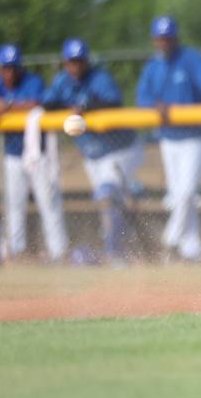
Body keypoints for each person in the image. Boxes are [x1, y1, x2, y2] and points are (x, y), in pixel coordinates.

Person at [42, 39, 144, 262]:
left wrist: (86, 107)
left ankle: (115, 253)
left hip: (120, 150)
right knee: (107, 202)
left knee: (107, 196)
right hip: (93, 155)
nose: (76, 66)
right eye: (72, 62)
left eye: (80, 61)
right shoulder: (62, 81)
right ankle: (122, 243)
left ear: (87, 61)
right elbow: (47, 104)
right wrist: (68, 108)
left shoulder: (100, 78)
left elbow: (113, 102)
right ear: (65, 63)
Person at [0, 44, 68, 262]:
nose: (10, 72)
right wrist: (1, 113)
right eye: (6, 67)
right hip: (13, 155)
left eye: (14, 67)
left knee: (49, 203)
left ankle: (59, 253)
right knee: (14, 206)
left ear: (20, 67)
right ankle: (16, 253)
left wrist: (6, 107)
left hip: (39, 154)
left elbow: (39, 103)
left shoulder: (33, 81)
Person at [135, 16, 201, 262]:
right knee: (179, 196)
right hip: (169, 139)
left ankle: (169, 241)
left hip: (196, 137)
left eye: (168, 38)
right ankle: (191, 249)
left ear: (176, 38)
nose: (164, 42)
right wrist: (154, 104)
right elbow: (142, 97)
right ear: (155, 40)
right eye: (160, 38)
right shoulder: (153, 66)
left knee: (186, 192)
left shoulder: (190, 58)